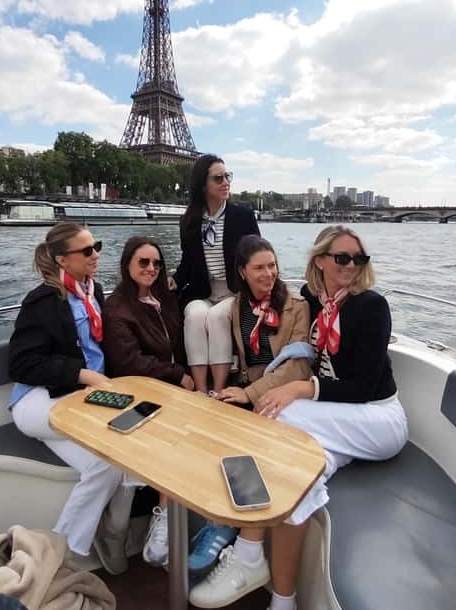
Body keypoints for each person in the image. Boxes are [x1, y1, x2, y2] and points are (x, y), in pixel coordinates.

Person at [190, 226, 408, 610]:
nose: (351, 265)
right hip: (342, 418)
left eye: (358, 259)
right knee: (300, 478)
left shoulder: (370, 306)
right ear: (320, 261)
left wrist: (299, 388)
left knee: (277, 414)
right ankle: (283, 600)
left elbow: (362, 386)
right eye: (342, 257)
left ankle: (247, 552)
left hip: (378, 418)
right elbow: (281, 304)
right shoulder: (316, 299)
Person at [189, 235, 313, 605]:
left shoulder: (296, 307)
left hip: (276, 389)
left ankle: (229, 529)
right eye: (259, 267)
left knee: (251, 442)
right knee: (206, 432)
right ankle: (219, 522)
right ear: (242, 272)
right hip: (246, 386)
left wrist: (249, 394)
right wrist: (222, 389)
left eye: (272, 265)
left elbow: (299, 365)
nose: (269, 274)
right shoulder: (235, 307)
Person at [7, 222, 132, 575]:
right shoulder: (45, 299)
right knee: (109, 456)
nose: (96, 255)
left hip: (81, 399)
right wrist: (82, 374)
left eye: (97, 247)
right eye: (87, 250)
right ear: (62, 259)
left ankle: (106, 535)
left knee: (123, 457)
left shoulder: (94, 292)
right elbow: (21, 364)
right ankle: (63, 562)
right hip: (38, 400)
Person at [102, 235, 195, 568]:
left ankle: (178, 521)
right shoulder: (116, 309)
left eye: (156, 263)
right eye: (143, 262)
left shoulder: (165, 298)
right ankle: (165, 520)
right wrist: (178, 375)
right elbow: (129, 363)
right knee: (167, 437)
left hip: (173, 385)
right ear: (127, 264)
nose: (151, 268)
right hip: (141, 389)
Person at [171, 154, 260, 393]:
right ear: (203, 184)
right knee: (195, 315)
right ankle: (200, 390)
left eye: (227, 176)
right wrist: (174, 281)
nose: (225, 182)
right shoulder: (189, 221)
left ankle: (219, 390)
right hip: (203, 290)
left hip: (235, 290)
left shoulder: (242, 217)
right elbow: (187, 263)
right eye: (218, 178)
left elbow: (258, 255)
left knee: (217, 317)